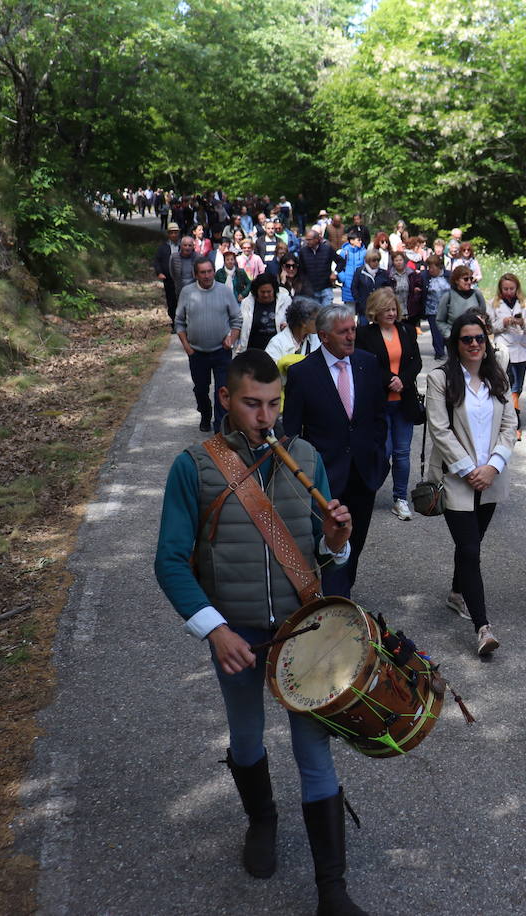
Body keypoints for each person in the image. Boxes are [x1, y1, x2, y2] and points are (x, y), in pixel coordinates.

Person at [151, 350, 367, 915]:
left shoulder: (306, 457)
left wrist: (335, 540)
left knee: (313, 752)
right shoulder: (192, 467)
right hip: (238, 633)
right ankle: (263, 820)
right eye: (252, 404)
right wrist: (214, 630)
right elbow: (170, 562)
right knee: (246, 737)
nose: (264, 416)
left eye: (273, 405)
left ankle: (332, 890)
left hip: (302, 630)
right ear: (226, 398)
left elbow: (322, 556)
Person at [424, 314, 518, 656]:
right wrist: (469, 470)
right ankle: (483, 627)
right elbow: (439, 429)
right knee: (470, 550)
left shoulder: (498, 377)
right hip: (456, 478)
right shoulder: (440, 379)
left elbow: (510, 425)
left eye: (480, 338)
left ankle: (455, 591)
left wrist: (492, 467)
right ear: (456, 344)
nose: (475, 344)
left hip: (491, 477)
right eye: (467, 339)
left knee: (472, 542)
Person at [282, 305, 389, 597]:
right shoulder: (303, 373)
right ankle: (333, 601)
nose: (352, 336)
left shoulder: (367, 363)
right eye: (344, 332)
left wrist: (381, 459)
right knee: (329, 542)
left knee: (355, 543)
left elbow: (379, 418)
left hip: (365, 473)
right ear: (324, 336)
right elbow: (291, 432)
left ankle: (341, 595)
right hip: (324, 478)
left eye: (353, 329)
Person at [357, 288, 423, 522]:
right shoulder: (365, 334)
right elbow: (365, 363)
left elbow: (416, 362)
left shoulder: (405, 331)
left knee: (402, 453)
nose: (392, 313)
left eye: (394, 308)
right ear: (376, 311)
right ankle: (368, 491)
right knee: (381, 452)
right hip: (379, 403)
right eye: (387, 309)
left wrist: (402, 380)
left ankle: (400, 499)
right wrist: (388, 380)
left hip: (403, 402)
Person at [176, 258, 241, 433]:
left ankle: (220, 426)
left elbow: (237, 319)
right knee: (201, 389)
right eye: (202, 272)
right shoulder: (187, 292)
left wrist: (231, 339)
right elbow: (179, 322)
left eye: (209, 271)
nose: (207, 276)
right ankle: (205, 413)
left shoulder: (225, 291)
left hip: (221, 351)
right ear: (196, 274)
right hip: (197, 352)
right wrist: (187, 347)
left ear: (214, 271)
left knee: (223, 389)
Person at [487, 273, 526, 441]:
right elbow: (489, 328)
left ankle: (508, 416)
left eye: (512, 289)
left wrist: (522, 323)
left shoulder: (524, 304)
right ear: (500, 288)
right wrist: (504, 322)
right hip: (504, 349)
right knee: (508, 387)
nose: (508, 292)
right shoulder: (493, 304)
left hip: (521, 349)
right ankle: (514, 424)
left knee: (518, 387)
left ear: (517, 288)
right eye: (505, 289)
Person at [236, 274, 290, 355]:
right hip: (252, 351)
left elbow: (293, 322)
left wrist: (288, 325)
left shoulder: (285, 301)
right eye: (262, 292)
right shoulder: (246, 303)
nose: (266, 295)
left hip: (277, 352)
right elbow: (239, 324)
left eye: (269, 292)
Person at [298, 229, 344, 309]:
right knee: (314, 315)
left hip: (325, 286)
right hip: (310, 289)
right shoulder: (303, 251)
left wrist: (335, 273)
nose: (307, 242)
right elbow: (301, 270)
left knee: (326, 313)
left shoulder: (327, 249)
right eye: (306, 240)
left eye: (309, 240)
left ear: (316, 239)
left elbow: (341, 261)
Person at [154, 222, 183, 332]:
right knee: (171, 301)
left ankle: (183, 323)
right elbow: (157, 261)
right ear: (168, 234)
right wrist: (159, 273)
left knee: (182, 300)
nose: (174, 235)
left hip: (182, 279)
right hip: (169, 279)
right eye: (172, 233)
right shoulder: (163, 248)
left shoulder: (183, 246)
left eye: (176, 233)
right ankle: (174, 322)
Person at [349, 249, 390, 324]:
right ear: (368, 261)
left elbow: (387, 289)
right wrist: (359, 301)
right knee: (364, 329)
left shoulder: (383, 273)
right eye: (374, 260)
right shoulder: (360, 272)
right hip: (364, 308)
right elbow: (354, 288)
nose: (376, 262)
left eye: (378, 260)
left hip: (379, 308)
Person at [421, 255, 450, 360]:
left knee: (447, 332)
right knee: (436, 332)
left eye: (432, 267)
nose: (430, 270)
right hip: (431, 310)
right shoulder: (425, 277)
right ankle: (439, 352)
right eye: (428, 267)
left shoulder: (448, 276)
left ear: (439, 267)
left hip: (447, 310)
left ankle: (450, 351)